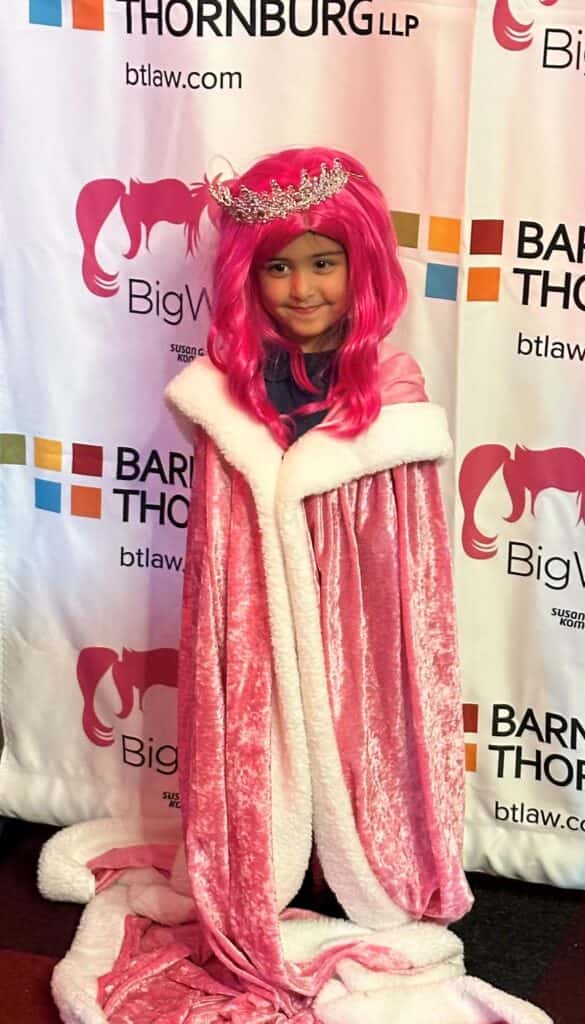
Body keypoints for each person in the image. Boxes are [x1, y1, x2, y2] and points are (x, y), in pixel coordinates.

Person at [38, 147, 549, 1024]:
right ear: (248, 276)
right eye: (277, 266)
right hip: (254, 621)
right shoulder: (226, 395)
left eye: (323, 262)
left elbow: (404, 570)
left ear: (362, 267)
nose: (301, 288)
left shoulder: (392, 393)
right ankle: (259, 859)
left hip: (354, 633)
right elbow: (220, 545)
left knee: (353, 731)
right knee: (259, 732)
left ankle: (369, 863)